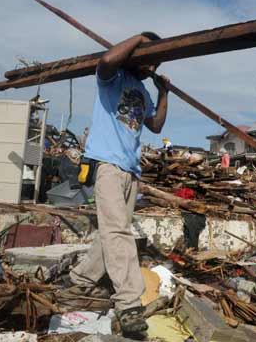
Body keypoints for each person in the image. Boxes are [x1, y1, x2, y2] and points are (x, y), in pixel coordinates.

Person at [67, 32, 169, 335]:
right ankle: (128, 304)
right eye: (148, 62)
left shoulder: (142, 90)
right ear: (137, 55)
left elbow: (156, 124)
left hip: (130, 169)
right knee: (117, 231)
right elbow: (107, 59)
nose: (150, 68)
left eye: (155, 65)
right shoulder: (112, 78)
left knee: (111, 230)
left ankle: (81, 279)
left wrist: (164, 92)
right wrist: (140, 37)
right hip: (107, 164)